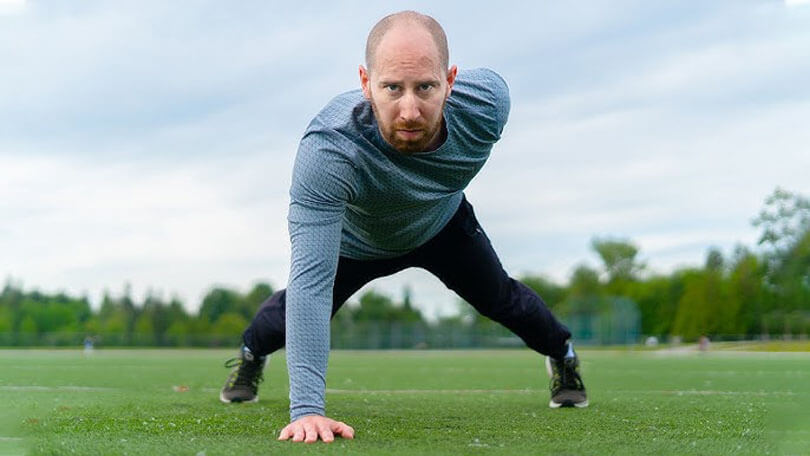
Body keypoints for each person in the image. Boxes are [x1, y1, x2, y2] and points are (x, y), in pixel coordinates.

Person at [220, 10, 588, 444]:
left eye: (426, 87)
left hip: (440, 222)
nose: (410, 110)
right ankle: (250, 354)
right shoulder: (328, 152)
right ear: (365, 83)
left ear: (450, 81)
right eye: (392, 88)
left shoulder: (487, 106)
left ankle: (563, 356)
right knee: (289, 312)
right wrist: (306, 410)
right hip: (358, 242)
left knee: (501, 298)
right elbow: (310, 287)